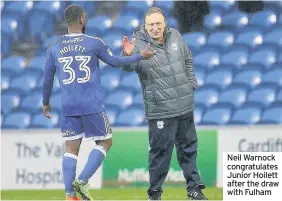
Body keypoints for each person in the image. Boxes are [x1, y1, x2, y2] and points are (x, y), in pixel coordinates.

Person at [42, 4, 156, 201]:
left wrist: (45, 102)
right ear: (82, 20)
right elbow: (114, 62)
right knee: (105, 141)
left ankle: (70, 195)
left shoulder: (53, 48)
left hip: (68, 106)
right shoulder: (94, 43)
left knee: (70, 149)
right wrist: (138, 55)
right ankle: (83, 180)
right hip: (91, 104)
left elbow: (47, 78)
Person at [121, 7, 207, 200]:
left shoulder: (175, 35)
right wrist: (127, 56)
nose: (155, 28)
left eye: (158, 23)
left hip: (184, 105)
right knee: (160, 153)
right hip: (160, 109)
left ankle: (194, 189)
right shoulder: (138, 43)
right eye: (151, 24)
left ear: (165, 23)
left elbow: (188, 59)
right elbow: (128, 67)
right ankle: (155, 193)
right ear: (145, 25)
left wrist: (190, 83)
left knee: (189, 148)